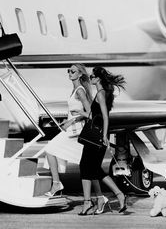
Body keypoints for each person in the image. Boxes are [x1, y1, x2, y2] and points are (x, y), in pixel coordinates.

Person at [44, 63, 103, 198]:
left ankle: (56, 183)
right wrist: (69, 120)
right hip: (71, 129)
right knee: (89, 167)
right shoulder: (75, 90)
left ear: (80, 74)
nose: (70, 73)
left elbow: (91, 114)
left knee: (50, 149)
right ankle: (100, 197)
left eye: (73, 71)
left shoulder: (80, 91)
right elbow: (75, 113)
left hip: (76, 132)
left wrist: (76, 116)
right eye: (68, 71)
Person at [78, 66, 127, 215]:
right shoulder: (103, 92)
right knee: (92, 169)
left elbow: (105, 117)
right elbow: (98, 116)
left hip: (96, 136)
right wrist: (83, 113)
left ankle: (92, 201)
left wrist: (105, 136)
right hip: (96, 135)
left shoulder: (100, 93)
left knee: (88, 167)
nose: (90, 78)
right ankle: (116, 195)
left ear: (98, 78)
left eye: (92, 76)